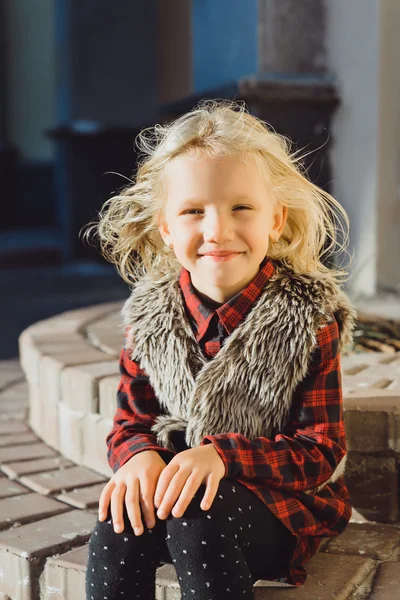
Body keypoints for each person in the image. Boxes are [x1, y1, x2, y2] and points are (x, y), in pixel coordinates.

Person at [84, 99, 357, 600]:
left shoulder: (308, 319)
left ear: (275, 220)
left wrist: (222, 456)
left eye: (241, 208)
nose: (217, 231)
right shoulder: (150, 320)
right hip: (182, 493)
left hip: (279, 509)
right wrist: (138, 457)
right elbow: (130, 423)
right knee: (116, 521)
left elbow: (320, 452)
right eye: (193, 211)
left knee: (199, 516)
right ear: (166, 228)